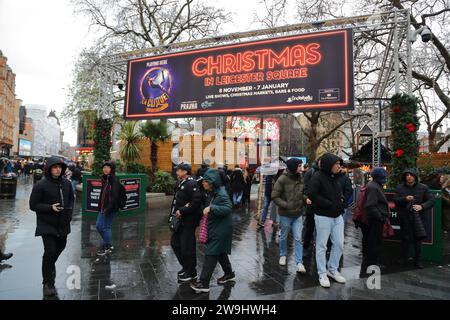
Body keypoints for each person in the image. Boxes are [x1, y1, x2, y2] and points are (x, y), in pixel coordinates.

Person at [29, 157, 74, 297]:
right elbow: (33, 206)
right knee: (50, 251)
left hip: (63, 223)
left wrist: (69, 215)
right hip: (47, 224)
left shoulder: (66, 183)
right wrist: (50, 208)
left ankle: (48, 267)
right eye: (54, 167)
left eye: (60, 167)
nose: (58, 169)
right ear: (49, 168)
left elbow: (71, 200)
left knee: (59, 249)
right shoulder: (40, 185)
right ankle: (47, 283)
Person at [191, 169, 235, 293]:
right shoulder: (213, 192)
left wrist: (212, 208)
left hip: (220, 229)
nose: (203, 183)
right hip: (218, 226)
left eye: (205, 181)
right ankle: (229, 274)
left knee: (211, 253)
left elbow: (228, 208)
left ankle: (204, 283)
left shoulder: (221, 194)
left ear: (212, 182)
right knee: (220, 252)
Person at [307, 153, 346, 288]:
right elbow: (311, 193)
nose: (339, 166)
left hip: (337, 216)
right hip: (323, 216)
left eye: (339, 164)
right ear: (329, 164)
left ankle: (332, 269)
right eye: (336, 164)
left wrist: (341, 202)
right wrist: (328, 204)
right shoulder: (317, 176)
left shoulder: (335, 177)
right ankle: (322, 273)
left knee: (339, 243)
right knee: (322, 246)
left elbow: (339, 193)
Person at [271, 158, 307, 273]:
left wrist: (305, 199)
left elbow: (302, 193)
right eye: (299, 166)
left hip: (298, 214)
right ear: (293, 167)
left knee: (298, 238)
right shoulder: (282, 179)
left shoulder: (301, 178)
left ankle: (299, 262)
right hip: (285, 214)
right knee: (283, 236)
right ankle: (283, 255)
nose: (301, 168)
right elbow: (274, 196)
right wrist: (286, 205)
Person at [394, 168, 434, 269]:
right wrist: (405, 199)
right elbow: (395, 200)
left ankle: (418, 260)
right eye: (407, 175)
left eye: (411, 175)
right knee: (405, 238)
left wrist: (422, 207)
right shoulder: (399, 188)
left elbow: (431, 200)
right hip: (405, 217)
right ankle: (403, 258)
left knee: (418, 239)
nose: (409, 176)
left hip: (419, 218)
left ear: (415, 176)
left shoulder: (424, 187)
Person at [170, 163, 202, 282]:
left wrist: (182, 210)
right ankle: (186, 267)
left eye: (178, 170)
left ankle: (191, 272)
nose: (177, 171)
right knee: (175, 244)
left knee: (187, 248)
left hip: (188, 222)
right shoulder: (180, 183)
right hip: (179, 221)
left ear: (185, 172)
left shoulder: (191, 184)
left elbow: (196, 202)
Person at [361, 167, 390, 275]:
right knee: (374, 242)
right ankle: (371, 264)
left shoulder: (374, 185)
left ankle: (371, 262)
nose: (386, 177)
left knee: (373, 242)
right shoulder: (374, 187)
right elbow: (370, 205)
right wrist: (380, 217)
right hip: (375, 220)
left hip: (375, 219)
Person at [96, 161, 121, 256]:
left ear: (112, 169)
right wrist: (100, 207)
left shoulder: (114, 180)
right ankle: (107, 242)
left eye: (108, 167)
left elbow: (115, 197)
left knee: (105, 227)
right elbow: (103, 194)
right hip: (102, 208)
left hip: (110, 208)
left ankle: (107, 245)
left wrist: (108, 208)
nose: (105, 169)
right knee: (98, 226)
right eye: (104, 167)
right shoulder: (105, 178)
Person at [302, 159, 321, 252]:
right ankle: (306, 246)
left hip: (321, 205)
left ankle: (317, 244)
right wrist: (306, 198)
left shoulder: (325, 172)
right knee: (309, 226)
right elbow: (304, 187)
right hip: (311, 203)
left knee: (319, 227)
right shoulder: (310, 172)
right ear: (318, 162)